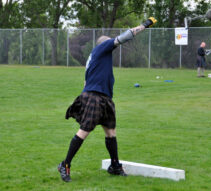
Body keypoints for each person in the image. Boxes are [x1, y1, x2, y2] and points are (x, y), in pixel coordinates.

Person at [58, 17, 157, 182]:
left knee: (111, 132)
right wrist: (144, 25)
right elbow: (125, 36)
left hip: (104, 98)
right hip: (95, 97)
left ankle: (114, 165)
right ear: (104, 43)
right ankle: (65, 164)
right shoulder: (102, 47)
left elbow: (85, 80)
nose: (114, 45)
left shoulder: (96, 58)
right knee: (84, 131)